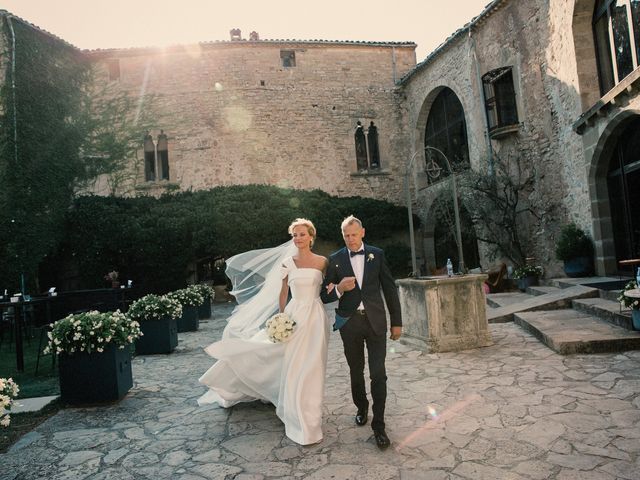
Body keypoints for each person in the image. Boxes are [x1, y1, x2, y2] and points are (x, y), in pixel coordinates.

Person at [198, 218, 331, 445]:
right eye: (294, 235)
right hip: (295, 315)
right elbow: (282, 292)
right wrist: (281, 318)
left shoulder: (323, 262)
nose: (298, 238)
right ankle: (295, 410)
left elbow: (327, 291)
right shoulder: (288, 262)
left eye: (302, 234)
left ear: (311, 236)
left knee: (313, 364)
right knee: (293, 362)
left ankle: (310, 410)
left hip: (316, 317)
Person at [321, 215, 402, 450]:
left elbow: (389, 289)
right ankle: (361, 407)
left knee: (379, 374)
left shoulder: (377, 254)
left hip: (376, 322)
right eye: (346, 235)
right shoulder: (335, 259)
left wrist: (396, 322)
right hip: (350, 324)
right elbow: (324, 295)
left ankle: (379, 426)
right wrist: (338, 288)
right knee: (355, 371)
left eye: (353, 234)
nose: (350, 239)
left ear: (362, 232)